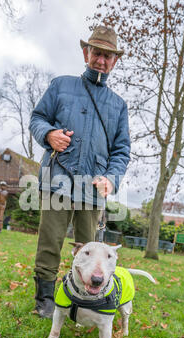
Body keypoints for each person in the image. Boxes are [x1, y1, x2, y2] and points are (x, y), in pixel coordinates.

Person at [29, 26, 130, 318]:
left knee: (91, 251)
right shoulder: (60, 85)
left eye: (107, 56)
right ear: (86, 53)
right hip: (57, 180)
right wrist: (48, 134)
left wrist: (111, 177)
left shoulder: (118, 105)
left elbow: (121, 151)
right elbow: (37, 118)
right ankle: (45, 300)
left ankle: (85, 300)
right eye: (96, 53)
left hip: (92, 190)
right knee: (50, 242)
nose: (101, 60)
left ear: (114, 61)